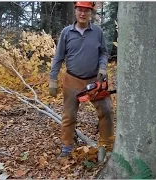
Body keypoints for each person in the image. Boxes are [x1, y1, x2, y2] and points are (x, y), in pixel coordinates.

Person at [49, 1, 114, 159]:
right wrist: (52, 79)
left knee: (106, 110)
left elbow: (104, 53)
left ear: (91, 13)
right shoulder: (66, 32)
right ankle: (66, 146)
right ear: (75, 11)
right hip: (72, 80)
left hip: (94, 81)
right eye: (80, 10)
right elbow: (58, 57)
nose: (83, 13)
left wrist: (103, 68)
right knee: (69, 115)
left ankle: (106, 145)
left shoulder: (97, 31)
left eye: (86, 10)